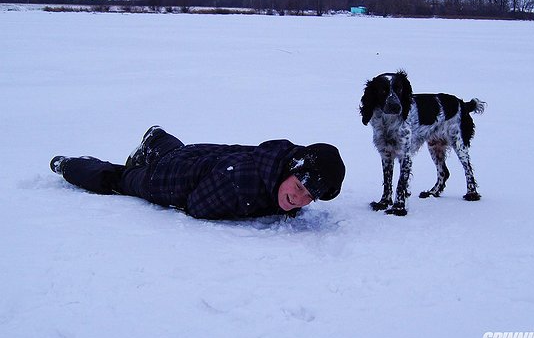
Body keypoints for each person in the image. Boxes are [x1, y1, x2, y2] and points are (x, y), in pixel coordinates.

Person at [50, 126, 345, 220]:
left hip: (200, 155)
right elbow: (197, 206)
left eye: (309, 197)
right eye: (299, 186)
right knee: (119, 179)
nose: (299, 198)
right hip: (168, 179)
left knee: (175, 152)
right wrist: (254, 207)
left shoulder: (280, 158)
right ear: (290, 171)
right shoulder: (239, 185)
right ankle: (70, 165)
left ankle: (157, 139)